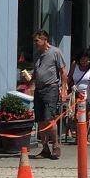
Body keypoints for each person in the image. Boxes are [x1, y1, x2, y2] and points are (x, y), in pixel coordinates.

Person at [29, 29, 68, 160]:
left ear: (44, 39)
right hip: (38, 89)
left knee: (49, 118)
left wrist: (63, 90)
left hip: (50, 88)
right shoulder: (37, 54)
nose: (35, 43)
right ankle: (44, 148)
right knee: (40, 119)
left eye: (37, 41)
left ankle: (55, 145)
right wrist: (30, 83)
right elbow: (36, 72)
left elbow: (63, 72)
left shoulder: (55, 52)